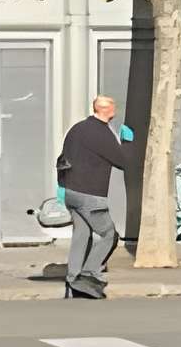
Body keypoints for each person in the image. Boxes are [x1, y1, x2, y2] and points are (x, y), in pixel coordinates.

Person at [55, 95, 135, 300]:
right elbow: (123, 162)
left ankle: (72, 280)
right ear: (106, 110)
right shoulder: (102, 133)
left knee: (82, 235)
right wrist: (127, 141)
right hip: (91, 195)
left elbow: (62, 158)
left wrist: (63, 187)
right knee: (109, 235)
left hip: (71, 192)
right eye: (113, 106)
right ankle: (89, 276)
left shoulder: (76, 129)